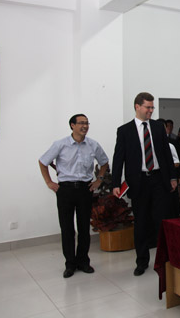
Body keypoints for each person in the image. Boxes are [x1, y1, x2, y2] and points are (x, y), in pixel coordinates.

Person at [111, 92, 177, 276]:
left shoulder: (158, 127)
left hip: (158, 180)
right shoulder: (124, 131)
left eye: (152, 107)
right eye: (148, 107)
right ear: (137, 106)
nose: (151, 110)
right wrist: (115, 183)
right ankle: (141, 261)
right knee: (141, 222)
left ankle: (164, 259)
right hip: (138, 182)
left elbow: (166, 155)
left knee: (161, 220)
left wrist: (172, 177)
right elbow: (118, 158)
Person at [38, 114, 109, 278]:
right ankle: (70, 264)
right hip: (65, 190)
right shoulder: (60, 144)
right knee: (67, 228)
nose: (85, 126)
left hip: (85, 189)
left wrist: (99, 180)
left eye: (87, 123)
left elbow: (104, 162)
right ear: (72, 125)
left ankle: (83, 261)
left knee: (84, 227)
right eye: (81, 123)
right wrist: (49, 182)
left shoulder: (93, 144)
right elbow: (43, 161)